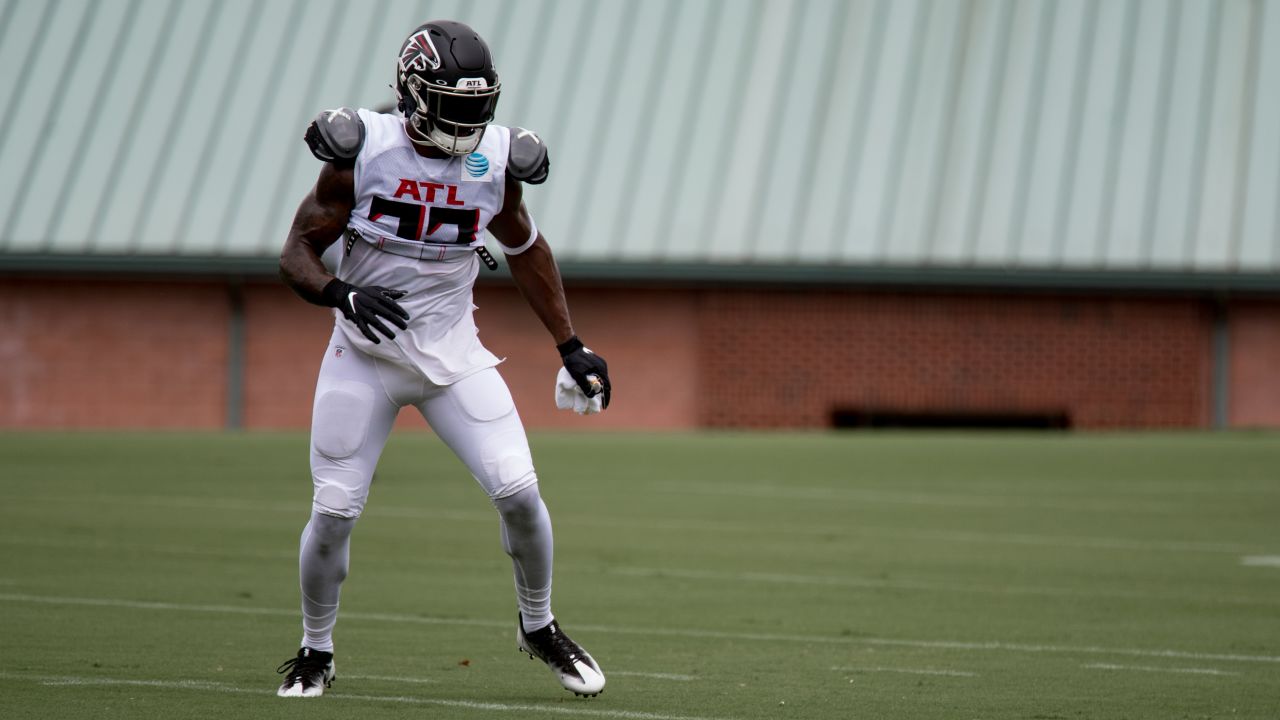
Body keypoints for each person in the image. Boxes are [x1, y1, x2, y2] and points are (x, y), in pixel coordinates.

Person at [273, 19, 611, 700]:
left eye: (475, 105)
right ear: (412, 92)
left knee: (519, 491)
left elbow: (525, 250)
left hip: (453, 356)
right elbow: (296, 253)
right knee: (334, 511)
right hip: (363, 355)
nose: (468, 121)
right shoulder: (362, 150)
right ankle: (316, 649)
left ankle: (538, 625)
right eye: (452, 104)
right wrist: (340, 291)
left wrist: (571, 344)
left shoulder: (495, 161)